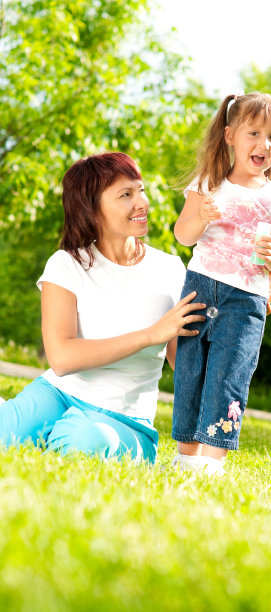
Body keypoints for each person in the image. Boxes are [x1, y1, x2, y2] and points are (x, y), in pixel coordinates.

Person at [0, 152, 205, 464]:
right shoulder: (67, 264)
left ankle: (57, 432)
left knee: (84, 441)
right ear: (92, 209)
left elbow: (188, 368)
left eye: (141, 190)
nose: (142, 203)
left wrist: (239, 305)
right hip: (57, 394)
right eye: (126, 194)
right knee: (7, 435)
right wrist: (150, 335)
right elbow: (62, 358)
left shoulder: (171, 270)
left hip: (125, 418)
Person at [171, 92, 271, 475]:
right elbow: (183, 235)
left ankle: (211, 467)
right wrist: (201, 218)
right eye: (254, 133)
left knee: (228, 378)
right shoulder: (208, 182)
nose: (264, 145)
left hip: (246, 302)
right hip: (199, 287)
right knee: (190, 372)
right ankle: (185, 461)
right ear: (229, 136)